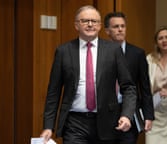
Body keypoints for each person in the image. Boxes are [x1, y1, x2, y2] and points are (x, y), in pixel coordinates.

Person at [40, 5, 137, 144]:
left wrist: (127, 115)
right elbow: (53, 92)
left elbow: (128, 87)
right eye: (84, 21)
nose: (90, 24)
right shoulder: (63, 51)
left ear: (100, 25)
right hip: (74, 123)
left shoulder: (113, 50)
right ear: (76, 25)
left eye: (94, 21)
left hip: (107, 121)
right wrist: (48, 126)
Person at [104, 12, 154, 144]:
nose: (120, 29)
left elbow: (145, 87)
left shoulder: (137, 53)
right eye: (115, 27)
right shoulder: (100, 53)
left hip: (130, 110)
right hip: (105, 112)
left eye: (123, 26)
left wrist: (148, 116)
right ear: (107, 31)